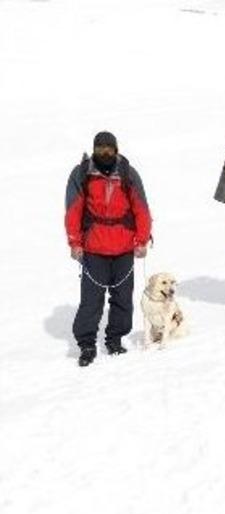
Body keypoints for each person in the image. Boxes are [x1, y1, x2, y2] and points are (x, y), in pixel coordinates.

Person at [65, 131, 152, 366]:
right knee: (91, 300)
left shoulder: (127, 173)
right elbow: (73, 210)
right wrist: (75, 242)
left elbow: (141, 208)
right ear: (94, 149)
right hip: (93, 248)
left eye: (109, 148)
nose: (105, 152)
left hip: (124, 248)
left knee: (123, 299)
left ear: (116, 149)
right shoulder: (82, 173)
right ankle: (86, 344)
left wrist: (142, 240)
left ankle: (115, 339)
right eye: (100, 148)